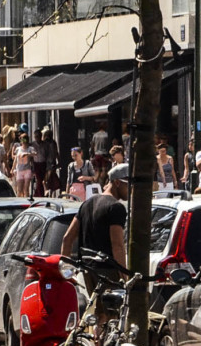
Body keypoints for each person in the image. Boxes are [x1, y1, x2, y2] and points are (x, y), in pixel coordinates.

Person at [61, 162, 129, 318]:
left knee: (98, 318)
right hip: (108, 271)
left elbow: (67, 239)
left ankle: (95, 342)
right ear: (117, 183)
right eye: (128, 185)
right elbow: (117, 245)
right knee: (115, 319)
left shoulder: (87, 204)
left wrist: (66, 274)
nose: (130, 190)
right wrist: (125, 278)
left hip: (88, 269)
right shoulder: (116, 208)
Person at [10, 133, 36, 197]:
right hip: (19, 170)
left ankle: (26, 201)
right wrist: (12, 169)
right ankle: (19, 201)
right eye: (22, 140)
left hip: (27, 169)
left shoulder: (30, 148)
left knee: (26, 189)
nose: (23, 142)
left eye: (25, 140)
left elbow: (35, 154)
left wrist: (27, 154)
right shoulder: (18, 149)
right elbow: (15, 159)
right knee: (19, 189)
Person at [34, 127, 59, 195]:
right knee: (49, 180)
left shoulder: (46, 143)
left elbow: (48, 153)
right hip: (51, 163)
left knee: (44, 181)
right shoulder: (53, 143)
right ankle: (49, 192)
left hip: (48, 164)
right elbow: (56, 153)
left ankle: (46, 192)